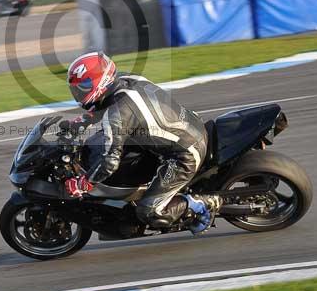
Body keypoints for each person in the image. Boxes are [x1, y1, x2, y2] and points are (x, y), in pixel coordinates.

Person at [64, 52, 221, 234]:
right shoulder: (126, 79)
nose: (80, 92)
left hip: (184, 154)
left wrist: (83, 183)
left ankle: (201, 203)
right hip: (189, 126)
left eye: (85, 86)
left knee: (149, 211)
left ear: (101, 81)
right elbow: (109, 106)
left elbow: (109, 163)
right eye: (77, 88)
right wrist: (84, 120)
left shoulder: (118, 115)